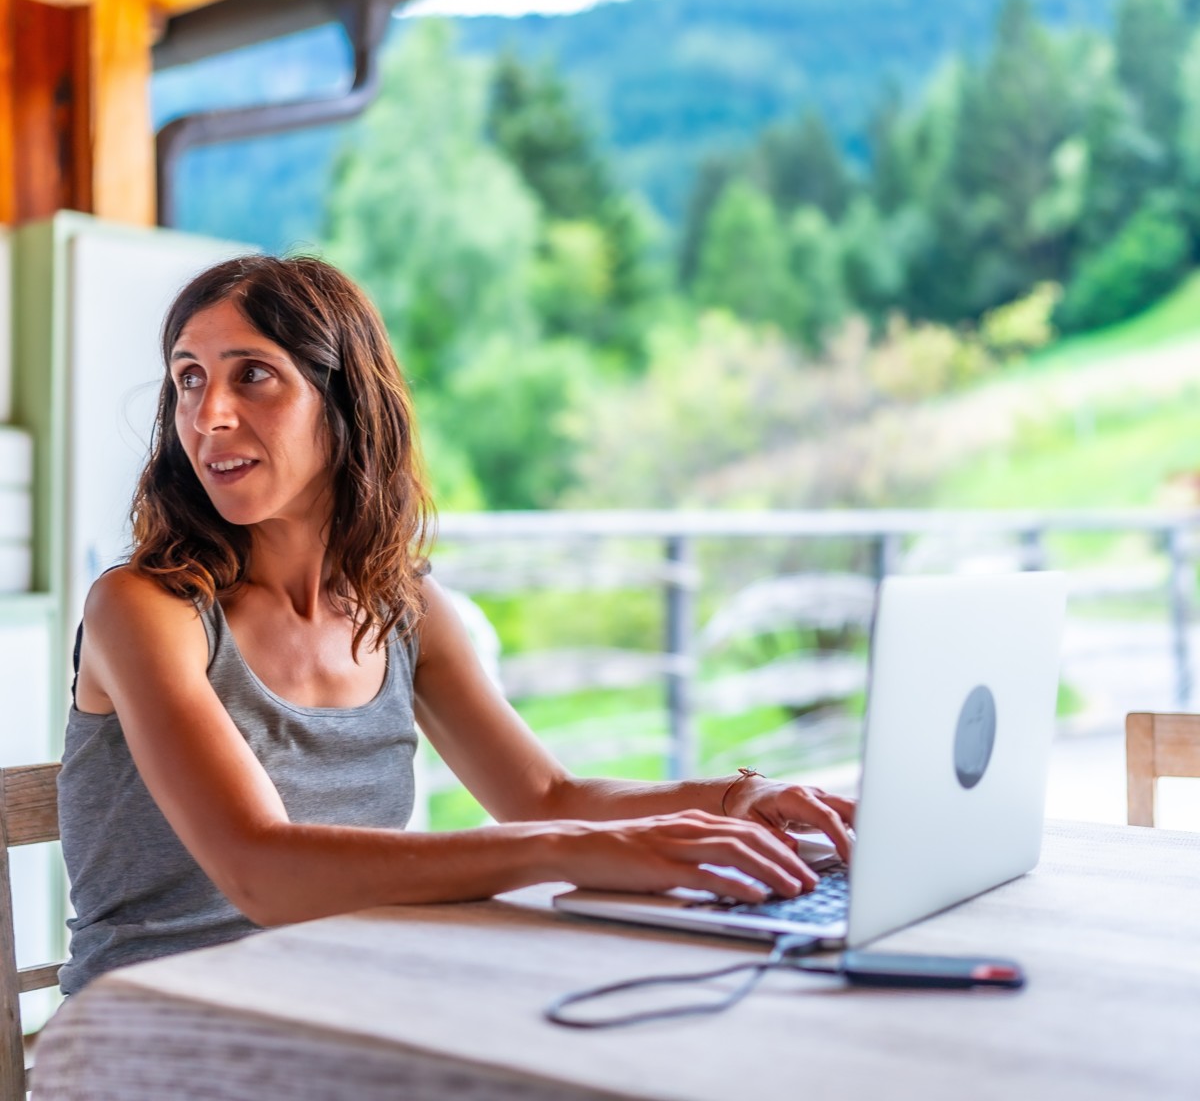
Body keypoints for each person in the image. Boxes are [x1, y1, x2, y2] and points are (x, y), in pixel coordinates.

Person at [57, 254, 855, 996]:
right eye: (188, 379)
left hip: (339, 998)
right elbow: (259, 868)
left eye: (253, 375)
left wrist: (732, 799)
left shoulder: (402, 609)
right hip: (150, 1022)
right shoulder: (143, 608)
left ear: (344, 400)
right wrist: (565, 850)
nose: (208, 415)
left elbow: (545, 795)